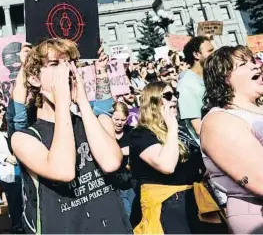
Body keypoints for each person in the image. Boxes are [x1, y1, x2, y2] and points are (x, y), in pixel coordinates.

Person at [11, 38, 130, 233]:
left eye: (70, 63)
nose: (66, 70)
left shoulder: (93, 122)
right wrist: (63, 103)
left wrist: (82, 101)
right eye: (55, 64)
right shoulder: (25, 138)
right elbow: (64, 171)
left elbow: (111, 163)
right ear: (34, 78)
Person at [130, 82, 215, 233]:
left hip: (194, 200)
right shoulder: (141, 134)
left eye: (176, 94)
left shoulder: (179, 128)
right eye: (168, 96)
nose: (175, 99)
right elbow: (167, 166)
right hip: (167, 208)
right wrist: (172, 127)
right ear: (153, 102)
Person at [201, 45, 263, 233]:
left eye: (253, 61)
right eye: (243, 64)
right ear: (224, 78)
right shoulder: (219, 121)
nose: (255, 66)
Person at [177, 36, 214, 140]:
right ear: (196, 55)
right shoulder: (186, 85)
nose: (214, 54)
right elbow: (198, 128)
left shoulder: (210, 76)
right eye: (210, 51)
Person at [109, 102, 135, 217]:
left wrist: (131, 150)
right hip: (115, 184)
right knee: (126, 214)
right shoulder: (104, 133)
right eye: (116, 119)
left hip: (131, 182)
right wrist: (121, 152)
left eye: (123, 120)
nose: (119, 123)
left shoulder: (132, 132)